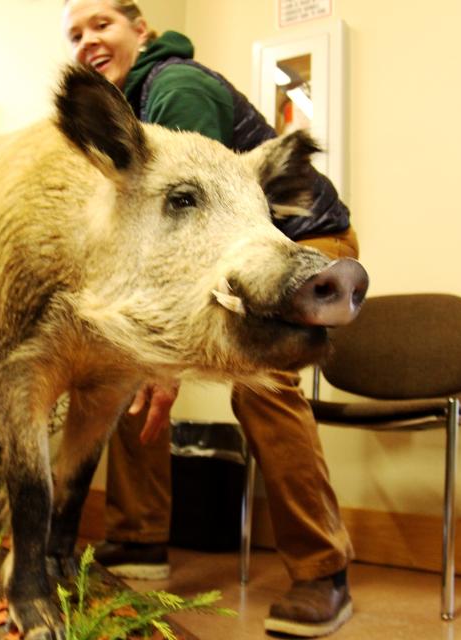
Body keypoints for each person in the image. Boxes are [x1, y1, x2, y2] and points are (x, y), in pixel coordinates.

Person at [61, 1, 359, 637]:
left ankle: (321, 570)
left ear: (141, 31)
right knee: (118, 355)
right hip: (226, 251)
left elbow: (193, 234)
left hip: (309, 244)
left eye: (102, 24)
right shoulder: (129, 114)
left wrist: (164, 357)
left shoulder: (176, 87)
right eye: (76, 33)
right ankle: (139, 539)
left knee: (265, 380)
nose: (89, 41)